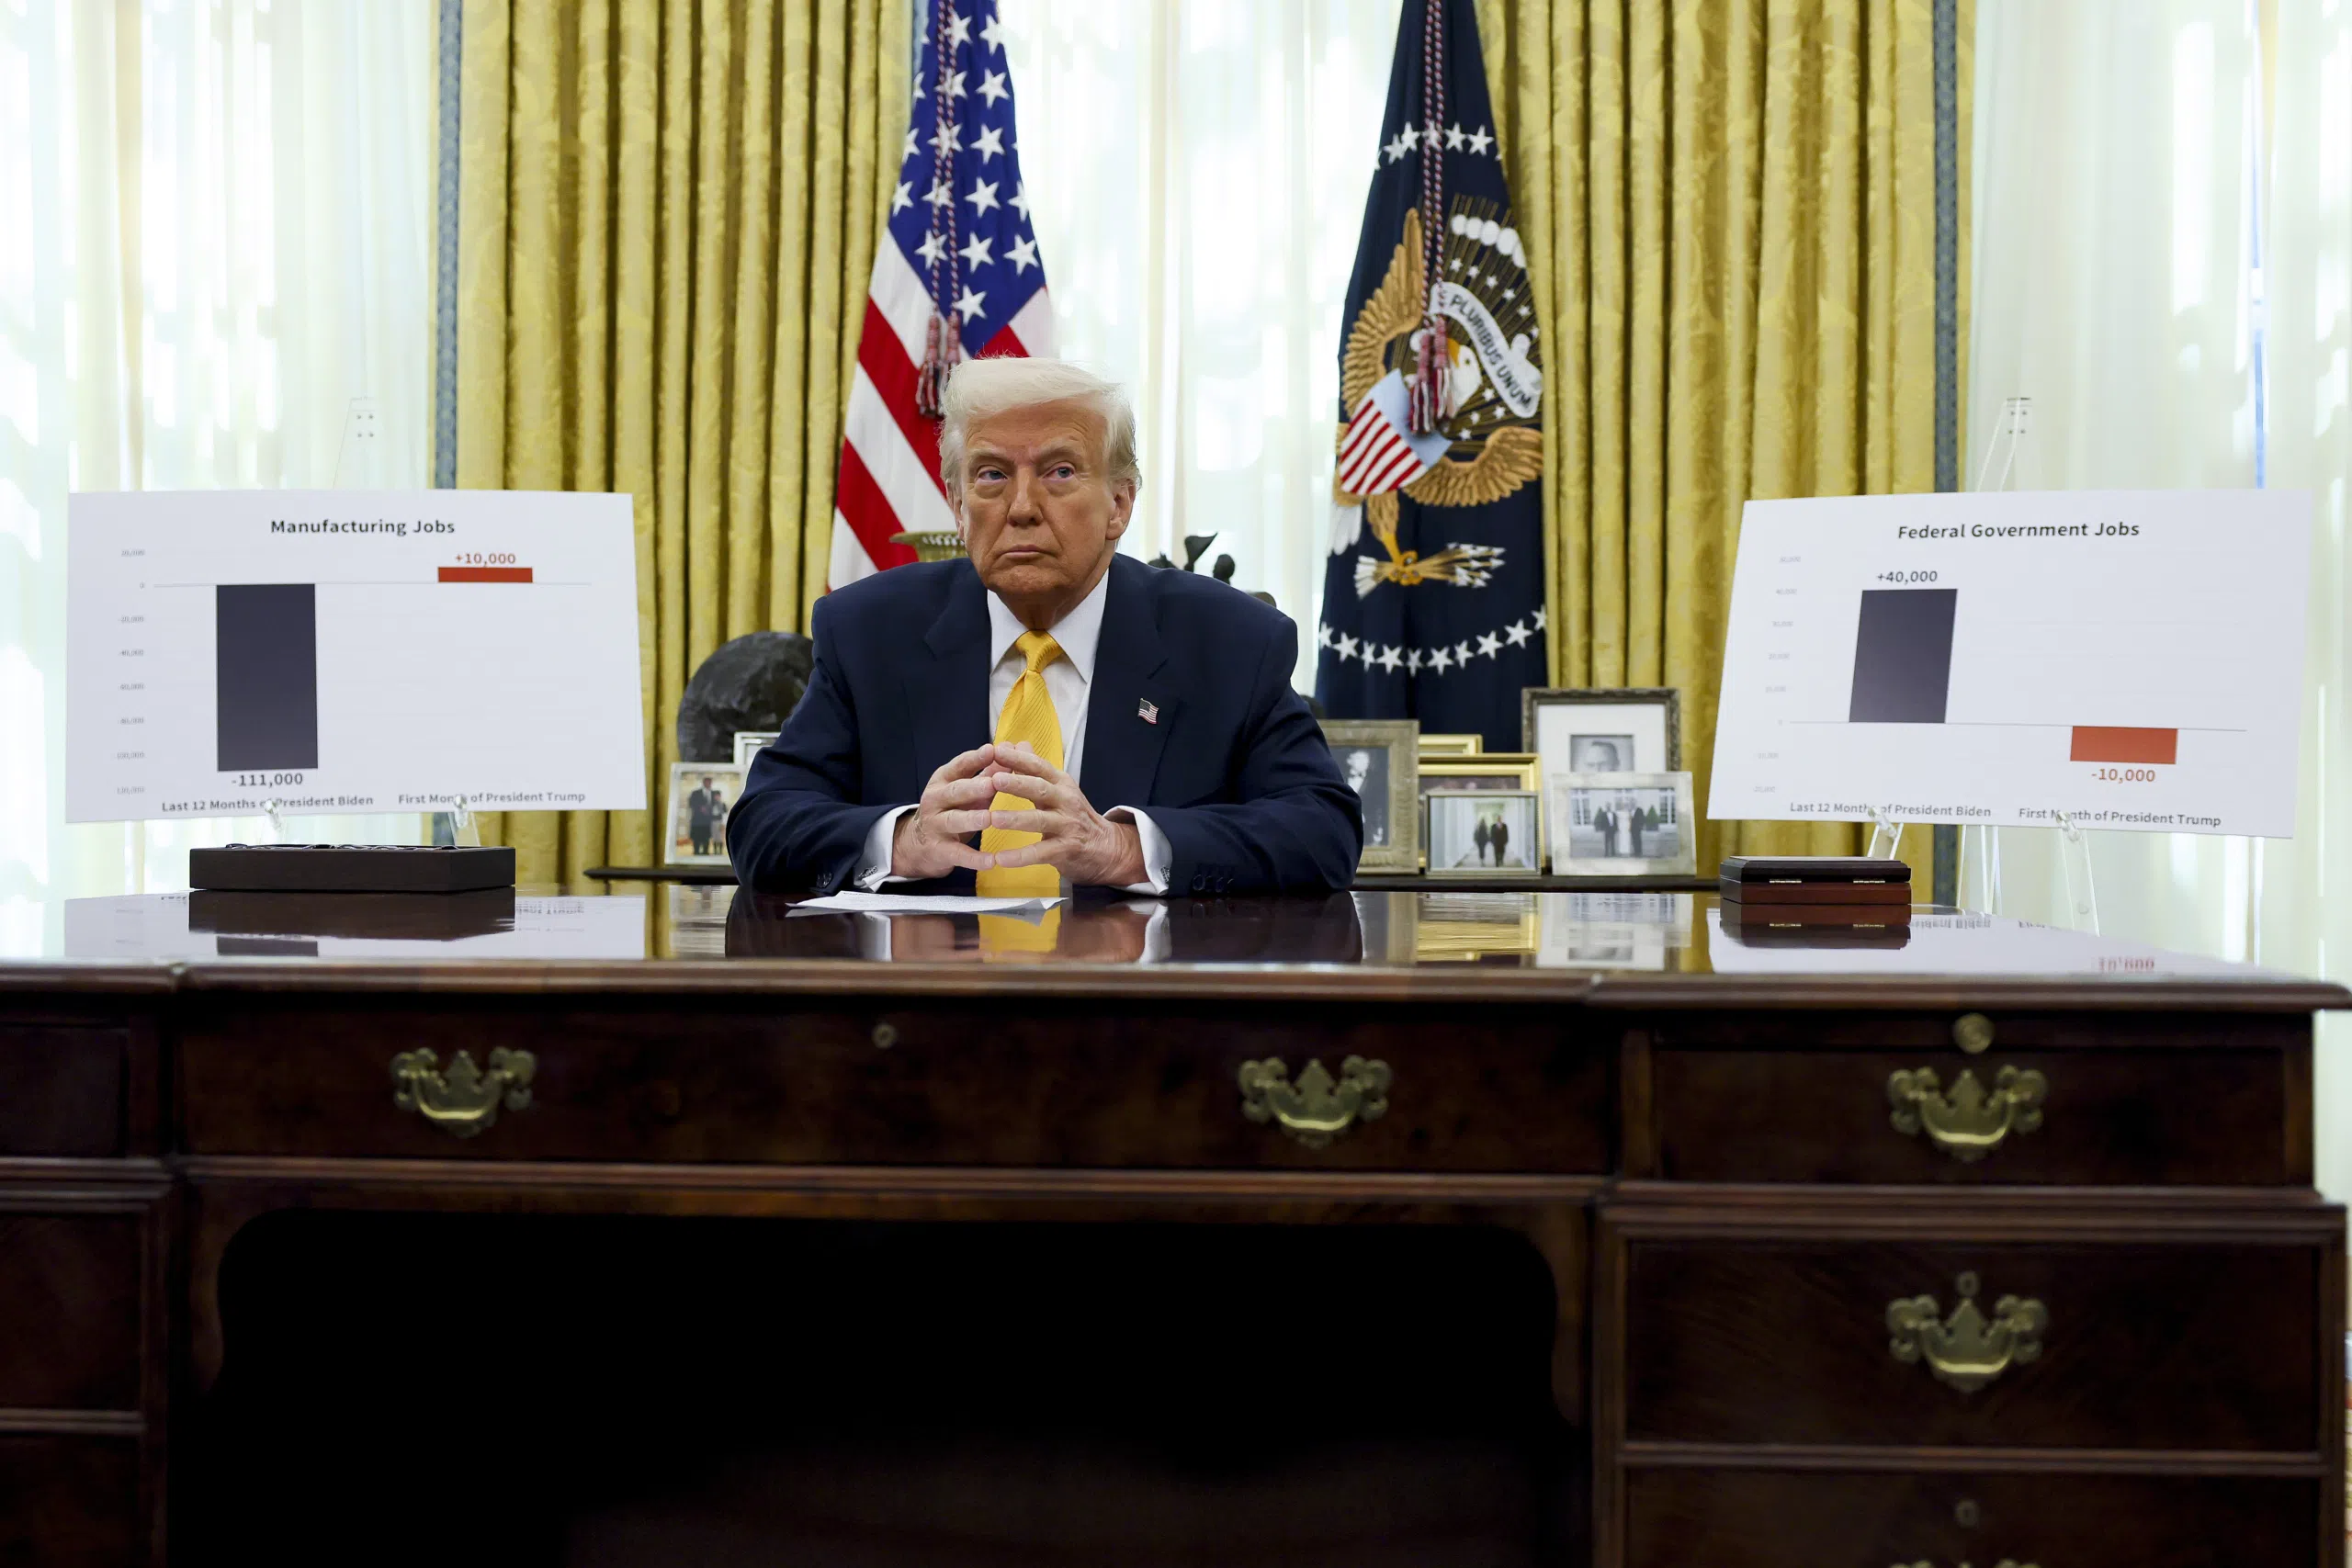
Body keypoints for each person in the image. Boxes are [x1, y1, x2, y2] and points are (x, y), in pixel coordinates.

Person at [728, 358, 1363, 897]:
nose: (1023, 507)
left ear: (1119, 504)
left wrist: (1123, 848)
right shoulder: (869, 632)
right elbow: (764, 822)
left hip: (1140, 995)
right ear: (958, 506)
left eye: (1059, 472)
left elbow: (1323, 830)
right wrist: (903, 840)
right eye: (992, 475)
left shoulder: (1229, 642)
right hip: (928, 994)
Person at [1343, 748, 1387, 846]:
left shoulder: (1375, 781)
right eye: (1359, 758)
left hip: (1368, 829)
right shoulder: (1341, 778)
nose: (1364, 761)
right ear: (1349, 760)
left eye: (1366, 758)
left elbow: (1380, 806)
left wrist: (1378, 828)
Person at [687, 775, 724, 856]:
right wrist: (700, 808)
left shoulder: (714, 793)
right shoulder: (696, 793)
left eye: (710, 782)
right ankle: (696, 852)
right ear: (703, 783)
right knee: (697, 837)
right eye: (707, 782)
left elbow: (718, 806)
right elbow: (691, 803)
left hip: (709, 821)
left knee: (706, 838)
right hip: (697, 819)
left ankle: (705, 852)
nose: (708, 784)